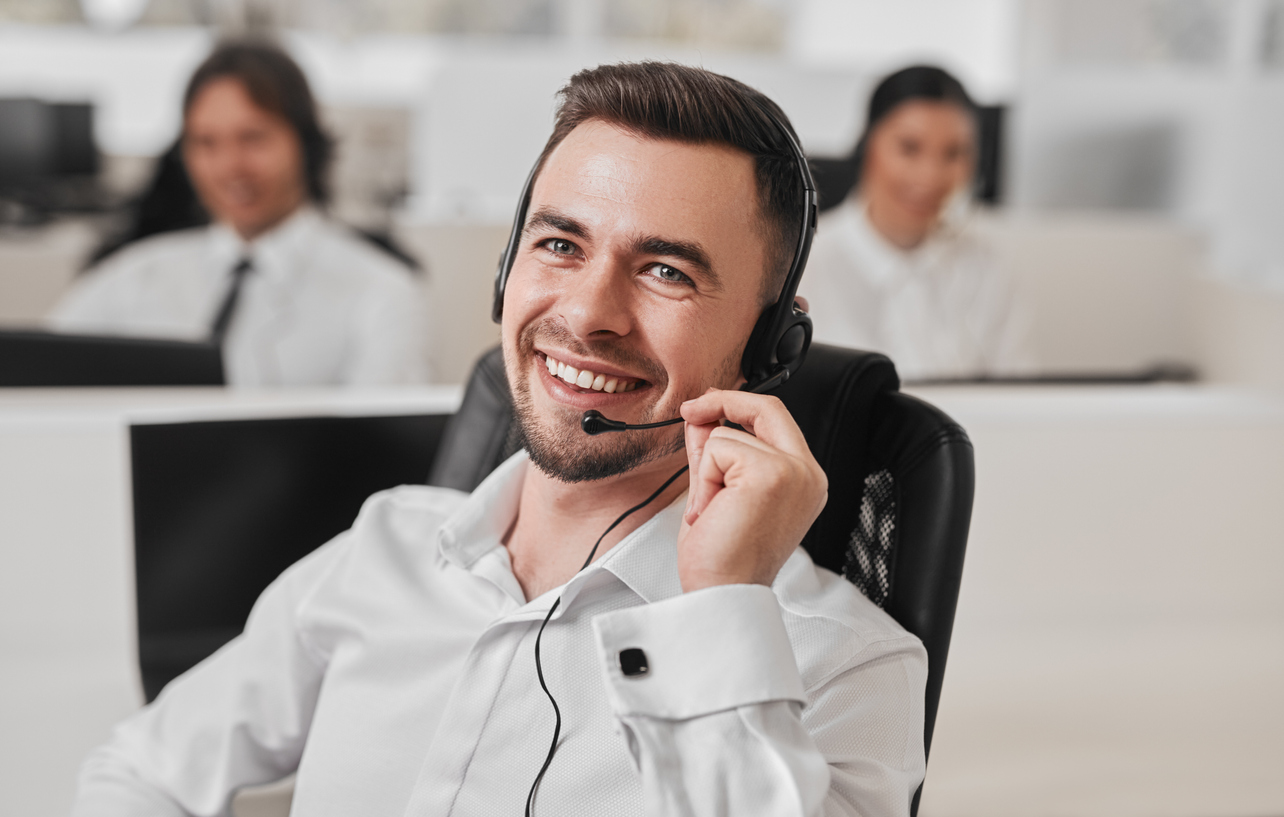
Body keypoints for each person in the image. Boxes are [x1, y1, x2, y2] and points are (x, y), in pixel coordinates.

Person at [72, 62, 927, 816]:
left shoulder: (844, 662)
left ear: (771, 345)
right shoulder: (386, 549)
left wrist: (715, 614)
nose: (588, 313)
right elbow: (140, 768)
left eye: (666, 270)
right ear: (506, 272)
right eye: (559, 243)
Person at [48, 41, 430, 386]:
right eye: (206, 143)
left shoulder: (381, 291)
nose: (230, 166)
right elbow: (36, 377)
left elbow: (385, 448)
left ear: (305, 143)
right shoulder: (131, 276)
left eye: (253, 138)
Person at [801, 65, 1031, 380]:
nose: (930, 176)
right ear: (869, 143)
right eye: (909, 148)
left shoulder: (987, 267)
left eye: (953, 154)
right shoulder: (804, 265)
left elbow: (1018, 395)